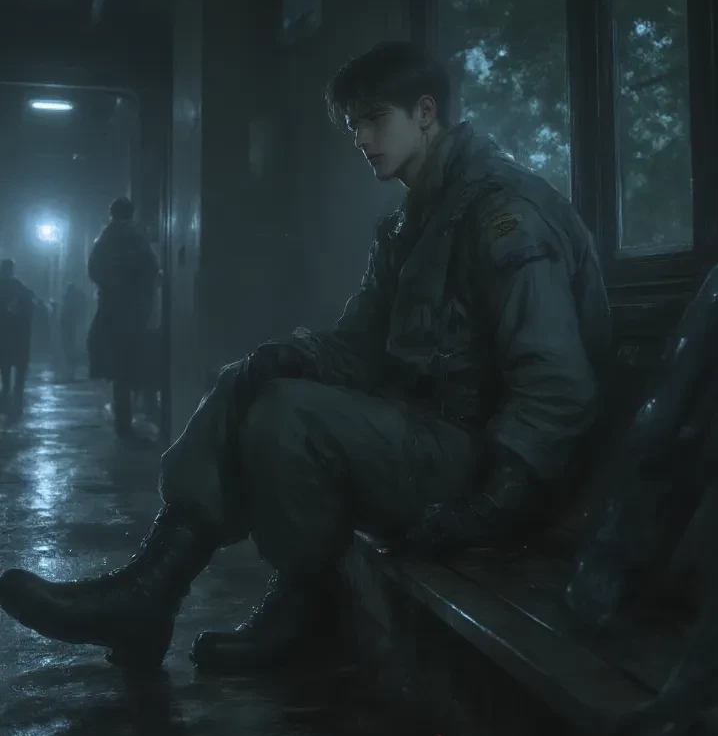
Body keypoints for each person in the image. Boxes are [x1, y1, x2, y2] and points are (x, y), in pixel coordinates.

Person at [0, 42, 612, 677]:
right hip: (433, 441)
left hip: (493, 470)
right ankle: (149, 589)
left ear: (426, 112)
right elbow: (357, 346)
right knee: (247, 382)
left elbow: (557, 381)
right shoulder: (411, 225)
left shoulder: (502, 210)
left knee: (288, 415)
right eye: (354, 125)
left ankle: (301, 608)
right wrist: (288, 355)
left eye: (375, 119)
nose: (362, 139)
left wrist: (501, 498)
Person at [86, 197, 159, 435]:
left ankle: (124, 421)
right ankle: (136, 413)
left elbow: (93, 270)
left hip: (112, 309)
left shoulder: (105, 238)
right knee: (134, 363)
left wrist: (110, 286)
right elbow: (151, 269)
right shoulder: (137, 238)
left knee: (118, 369)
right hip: (136, 309)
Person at [0, 258, 34, 419]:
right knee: (14, 371)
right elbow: (30, 306)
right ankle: (15, 401)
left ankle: (9, 398)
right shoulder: (19, 287)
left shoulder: (16, 287)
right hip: (16, 337)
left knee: (7, 371)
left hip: (7, 336)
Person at [60, 283, 87, 382]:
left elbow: (64, 314)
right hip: (71, 327)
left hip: (68, 327)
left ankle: (70, 369)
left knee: (69, 348)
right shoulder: (74, 300)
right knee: (70, 347)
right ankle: (71, 369)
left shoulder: (68, 299)